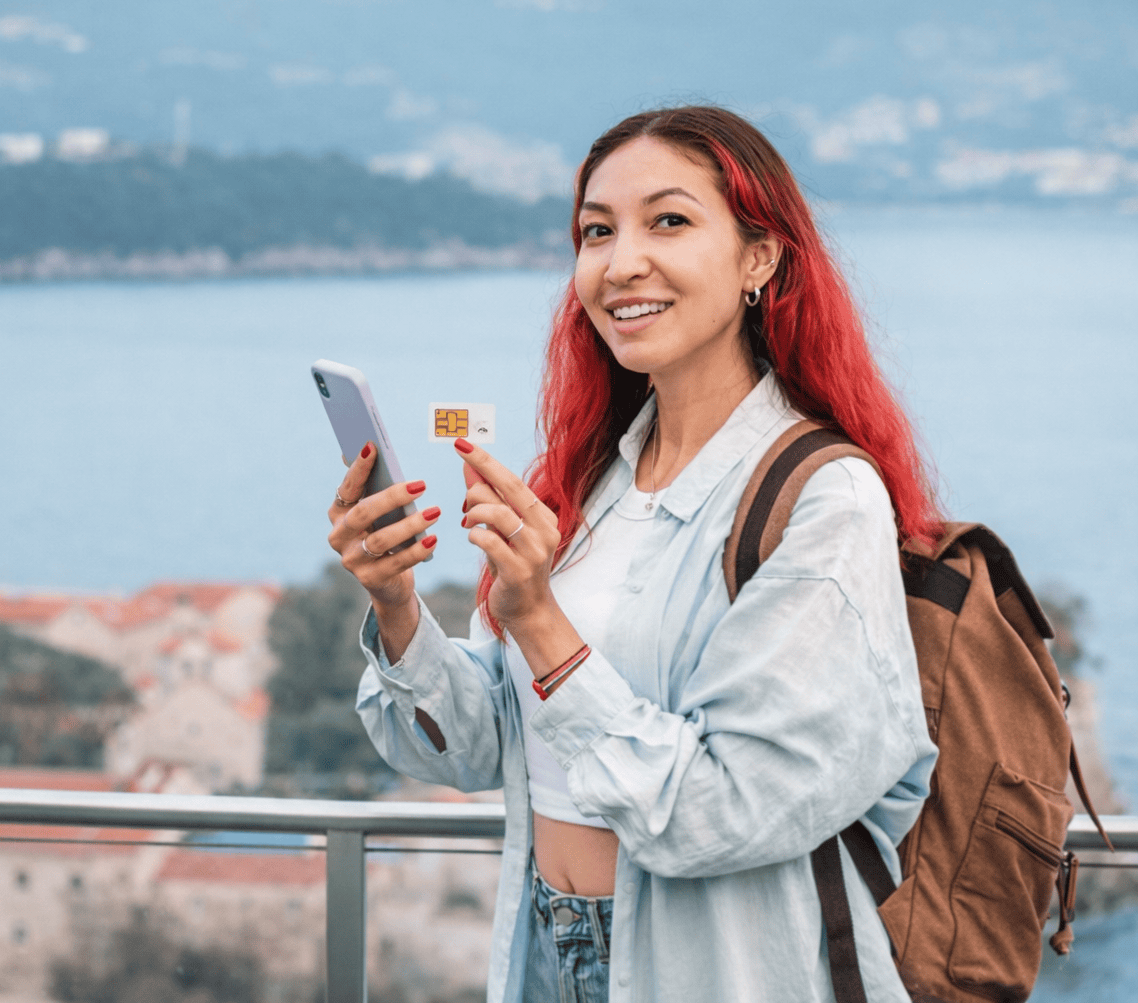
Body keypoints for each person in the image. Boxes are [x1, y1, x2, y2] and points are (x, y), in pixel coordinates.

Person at [325, 106, 940, 1003]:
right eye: (596, 232)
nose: (621, 264)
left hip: (714, 971)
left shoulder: (824, 498)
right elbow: (476, 750)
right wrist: (395, 605)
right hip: (546, 943)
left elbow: (722, 811)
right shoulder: (593, 482)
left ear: (760, 258)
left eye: (670, 221)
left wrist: (538, 619)